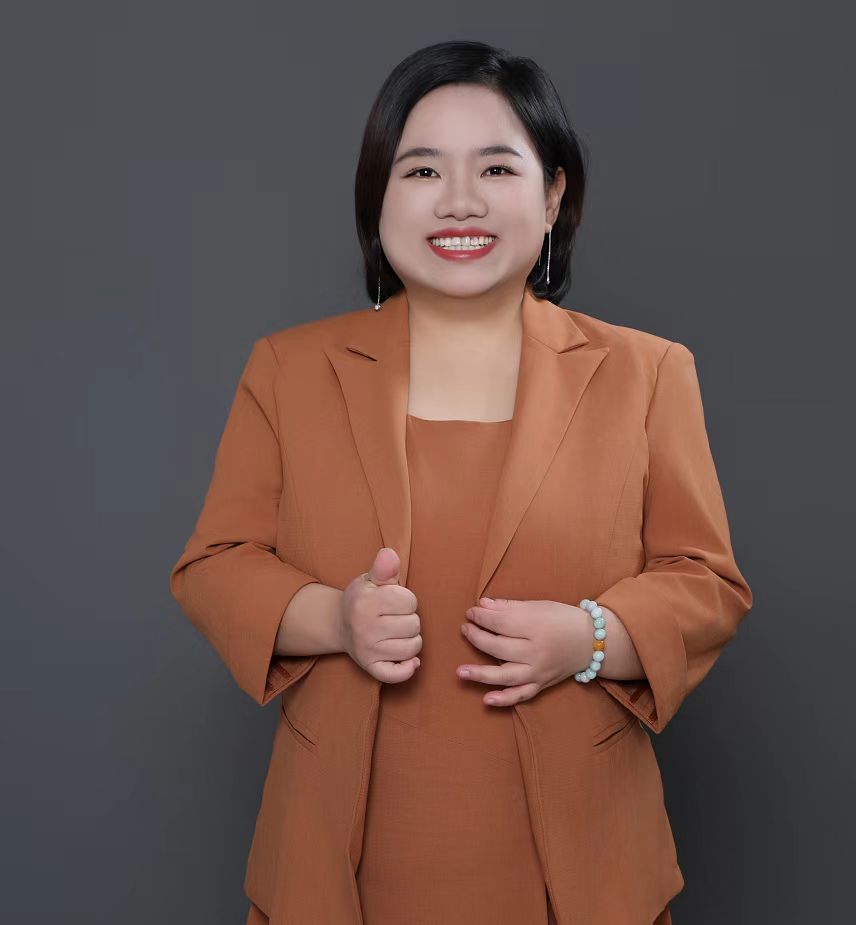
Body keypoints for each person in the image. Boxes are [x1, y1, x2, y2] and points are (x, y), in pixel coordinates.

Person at [169, 39, 753, 925]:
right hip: (336, 867)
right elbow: (214, 565)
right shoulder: (288, 369)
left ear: (552, 196)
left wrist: (588, 636)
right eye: (421, 170)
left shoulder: (647, 373)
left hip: (583, 871)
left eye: (496, 167)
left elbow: (706, 582)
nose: (459, 201)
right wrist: (333, 617)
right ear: (378, 196)